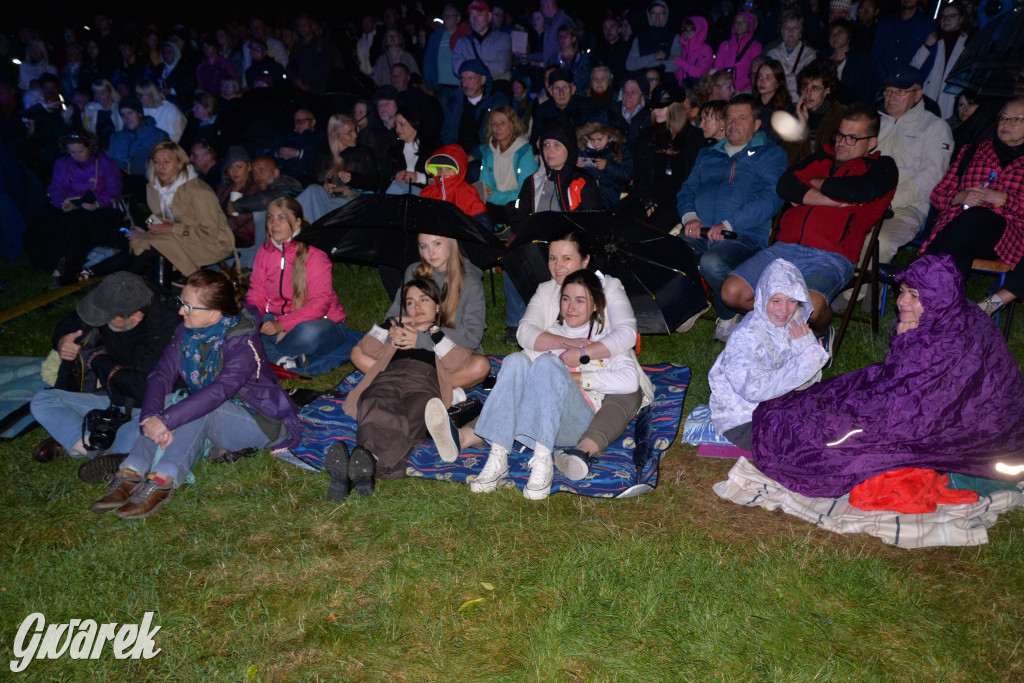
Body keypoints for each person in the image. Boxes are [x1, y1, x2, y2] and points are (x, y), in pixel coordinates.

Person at [749, 254, 1024, 498]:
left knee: (830, 448)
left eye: (914, 295)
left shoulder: (948, 342)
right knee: (833, 394)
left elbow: (912, 413)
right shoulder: (955, 313)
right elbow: (908, 384)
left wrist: (906, 344)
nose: (902, 300)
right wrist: (907, 342)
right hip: (955, 408)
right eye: (903, 291)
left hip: (980, 430)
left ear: (937, 298)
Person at [90, 270, 303, 519]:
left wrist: (167, 421)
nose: (181, 312)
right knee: (172, 402)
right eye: (181, 303)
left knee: (197, 407)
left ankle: (163, 479)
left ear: (213, 313)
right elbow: (160, 376)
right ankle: (130, 472)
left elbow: (219, 391)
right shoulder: (186, 332)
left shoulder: (242, 342)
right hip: (215, 415)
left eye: (188, 307)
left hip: (261, 422)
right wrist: (151, 416)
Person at [456, 268, 648, 499]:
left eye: (580, 300)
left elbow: (629, 381)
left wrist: (578, 378)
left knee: (548, 364)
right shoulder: (553, 334)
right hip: (538, 420)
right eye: (566, 299)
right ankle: (498, 455)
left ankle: (543, 460)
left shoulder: (606, 338)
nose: (570, 307)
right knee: (515, 360)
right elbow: (516, 374)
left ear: (596, 304)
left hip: (577, 422)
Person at [721, 103, 898, 342]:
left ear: (872, 142)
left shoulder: (882, 168)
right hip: (784, 248)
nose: (842, 142)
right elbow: (785, 185)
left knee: (811, 308)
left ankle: (821, 333)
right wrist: (833, 200)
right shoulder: (820, 159)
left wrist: (812, 185)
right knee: (732, 293)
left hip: (831, 256)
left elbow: (860, 190)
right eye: (840, 135)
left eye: (853, 138)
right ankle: (776, 327)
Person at [332, 278, 478, 491]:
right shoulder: (397, 331)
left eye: (423, 300)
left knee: (411, 413)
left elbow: (458, 361)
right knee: (373, 402)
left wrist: (433, 334)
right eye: (410, 302)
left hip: (424, 384)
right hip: (388, 377)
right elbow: (368, 348)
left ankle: (363, 463)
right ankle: (369, 465)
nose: (416, 306)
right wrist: (388, 325)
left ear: (437, 306)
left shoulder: (442, 334)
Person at [29, 272, 179, 471]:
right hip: (112, 400)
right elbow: (74, 320)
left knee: (135, 434)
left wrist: (101, 363)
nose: (98, 321)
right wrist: (63, 339)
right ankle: (96, 451)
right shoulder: (120, 292)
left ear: (136, 317)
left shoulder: (169, 325)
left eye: (106, 319)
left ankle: (88, 444)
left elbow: (144, 388)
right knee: (42, 401)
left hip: (151, 408)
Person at [676, 94, 787, 342]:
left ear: (756, 124)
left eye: (742, 118)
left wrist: (728, 224)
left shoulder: (770, 155)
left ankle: (727, 315)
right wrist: (691, 217)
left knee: (712, 262)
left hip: (742, 235)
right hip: (700, 231)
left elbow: (771, 199)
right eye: (729, 118)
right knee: (669, 251)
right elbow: (687, 190)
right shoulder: (708, 154)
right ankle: (691, 303)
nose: (733, 124)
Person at [709, 258, 830, 450]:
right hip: (743, 418)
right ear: (763, 297)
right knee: (805, 443)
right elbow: (754, 390)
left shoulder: (793, 325)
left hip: (777, 404)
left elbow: (808, 382)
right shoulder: (745, 336)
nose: (784, 310)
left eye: (792, 301)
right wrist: (806, 361)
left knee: (830, 416)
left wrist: (805, 351)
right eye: (776, 301)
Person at [921, 98, 1024, 318]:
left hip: (1003, 239)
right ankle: (941, 320)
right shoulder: (972, 152)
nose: (1007, 124)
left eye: (1017, 119)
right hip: (956, 231)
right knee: (955, 259)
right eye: (1004, 118)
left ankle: (917, 268)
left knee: (979, 215)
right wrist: (959, 196)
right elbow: (937, 196)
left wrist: (1004, 199)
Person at [352, 231, 491, 388]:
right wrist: (400, 329)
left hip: (451, 353)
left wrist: (424, 336)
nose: (431, 253)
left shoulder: (470, 281)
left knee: (481, 366)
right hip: (410, 348)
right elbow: (393, 315)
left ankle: (407, 381)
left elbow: (472, 338)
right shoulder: (414, 272)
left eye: (437, 244)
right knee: (357, 353)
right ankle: (428, 385)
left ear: (452, 243)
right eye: (424, 246)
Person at [245, 196, 347, 370]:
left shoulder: (314, 253)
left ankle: (262, 352)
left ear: (297, 222)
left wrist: (282, 325)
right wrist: (253, 320)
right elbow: (257, 294)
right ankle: (281, 358)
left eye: (281, 217)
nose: (273, 223)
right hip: (278, 318)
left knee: (308, 334)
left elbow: (320, 303)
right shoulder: (265, 251)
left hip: (319, 323)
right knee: (242, 321)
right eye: (270, 217)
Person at [872, 66, 953, 271]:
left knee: (881, 241)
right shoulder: (874, 122)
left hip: (907, 205)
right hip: (867, 197)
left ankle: (858, 295)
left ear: (917, 95)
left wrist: (891, 199)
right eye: (888, 91)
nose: (891, 97)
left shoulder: (935, 127)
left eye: (900, 92)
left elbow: (932, 176)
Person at [126, 141, 234, 278]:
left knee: (156, 247)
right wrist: (150, 230)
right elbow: (156, 218)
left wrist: (171, 229)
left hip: (212, 243)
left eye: (166, 162)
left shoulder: (198, 191)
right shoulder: (155, 189)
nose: (160, 167)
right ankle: (125, 284)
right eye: (156, 162)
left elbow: (210, 232)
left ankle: (139, 288)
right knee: (140, 242)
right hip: (179, 236)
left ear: (179, 163)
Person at [32, 129, 124, 284]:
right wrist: (62, 202)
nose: (76, 155)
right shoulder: (62, 163)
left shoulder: (106, 164)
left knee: (77, 222)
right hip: (69, 208)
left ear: (90, 147)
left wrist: (97, 204)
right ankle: (52, 261)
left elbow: (115, 191)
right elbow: (56, 187)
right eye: (72, 152)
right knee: (41, 217)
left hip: (98, 210)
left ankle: (70, 265)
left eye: (80, 151)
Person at [622, 86, 703, 231]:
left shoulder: (693, 137)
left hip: (677, 200)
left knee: (650, 231)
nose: (655, 111)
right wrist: (646, 197)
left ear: (674, 108)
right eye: (654, 108)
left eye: (661, 107)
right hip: (649, 195)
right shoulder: (648, 135)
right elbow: (640, 171)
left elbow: (692, 178)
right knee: (622, 222)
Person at [297, 114, 382, 223]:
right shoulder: (323, 153)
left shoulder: (364, 153)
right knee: (313, 190)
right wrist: (323, 186)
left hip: (349, 202)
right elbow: (307, 179)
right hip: (323, 198)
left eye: (355, 130)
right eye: (349, 133)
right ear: (335, 135)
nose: (355, 135)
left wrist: (354, 179)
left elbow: (375, 185)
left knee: (321, 206)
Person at [477, 106, 538, 225]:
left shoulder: (524, 154)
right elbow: (485, 189)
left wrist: (494, 196)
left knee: (511, 208)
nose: (497, 127)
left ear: (513, 125)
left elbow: (524, 194)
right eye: (494, 123)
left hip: (517, 207)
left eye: (502, 123)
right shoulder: (487, 153)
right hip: (497, 206)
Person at [908, 1, 968, 120]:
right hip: (927, 97)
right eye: (943, 17)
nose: (946, 20)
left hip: (951, 101)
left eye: (952, 16)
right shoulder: (934, 40)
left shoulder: (968, 43)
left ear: (961, 18)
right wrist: (926, 46)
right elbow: (913, 67)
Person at [781, 59, 846, 167]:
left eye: (815, 88)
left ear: (827, 90)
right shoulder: (797, 116)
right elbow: (785, 160)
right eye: (804, 87)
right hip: (800, 174)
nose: (808, 94)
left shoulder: (840, 115)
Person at [441, 60, 510, 160]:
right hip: (458, 155)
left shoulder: (496, 102)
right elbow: (447, 132)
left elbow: (496, 138)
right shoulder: (456, 102)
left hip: (487, 157)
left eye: (470, 78)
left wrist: (472, 156)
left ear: (482, 80)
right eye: (463, 78)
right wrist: (453, 153)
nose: (465, 83)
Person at [107, 96, 169, 200]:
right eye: (123, 115)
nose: (127, 118)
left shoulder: (158, 136)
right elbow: (110, 166)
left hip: (149, 186)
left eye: (130, 113)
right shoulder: (116, 138)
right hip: (122, 187)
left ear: (140, 113)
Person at [420, 145, 492, 228]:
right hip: (432, 233)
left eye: (448, 169)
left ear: (459, 169)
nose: (443, 173)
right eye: (439, 169)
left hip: (458, 233)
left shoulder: (467, 191)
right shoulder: (428, 191)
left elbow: (481, 219)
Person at [870, 0, 934, 81]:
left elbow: (928, 63)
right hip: (883, 84)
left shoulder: (927, 26)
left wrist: (910, 85)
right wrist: (886, 80)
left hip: (909, 87)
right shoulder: (886, 23)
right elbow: (876, 56)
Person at [576, 122, 633, 210]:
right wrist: (577, 168)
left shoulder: (620, 149)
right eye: (592, 139)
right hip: (588, 200)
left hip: (613, 201)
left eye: (599, 139)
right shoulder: (583, 151)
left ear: (609, 136)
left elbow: (627, 176)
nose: (595, 143)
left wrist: (608, 166)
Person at [452, 0, 513, 83]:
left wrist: (470, 67)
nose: (474, 19)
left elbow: (501, 67)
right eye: (471, 15)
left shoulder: (503, 38)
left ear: (489, 16)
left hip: (496, 91)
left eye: (479, 14)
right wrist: (487, 64)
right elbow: (457, 68)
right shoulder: (462, 42)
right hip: (471, 92)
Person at [384, 108, 438, 194]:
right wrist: (395, 178)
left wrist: (419, 177)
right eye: (396, 125)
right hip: (400, 199)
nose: (398, 129)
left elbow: (441, 180)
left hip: (426, 197)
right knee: (396, 187)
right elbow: (382, 182)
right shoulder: (392, 151)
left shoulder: (432, 148)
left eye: (401, 124)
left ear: (415, 123)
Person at [765, 13, 818, 101]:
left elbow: (808, 82)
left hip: (799, 100)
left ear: (800, 33)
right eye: (787, 28)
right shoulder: (772, 54)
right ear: (781, 32)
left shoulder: (809, 54)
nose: (791, 31)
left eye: (795, 28)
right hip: (776, 100)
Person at [216, 146, 259, 247]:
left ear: (248, 167)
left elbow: (245, 218)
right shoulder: (223, 189)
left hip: (242, 238)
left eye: (239, 167)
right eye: (231, 167)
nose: (234, 172)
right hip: (221, 233)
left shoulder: (254, 189)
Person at [626, 1, 681, 77]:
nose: (657, 17)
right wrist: (654, 56)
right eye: (654, 13)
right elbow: (630, 65)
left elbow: (676, 65)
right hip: (643, 82)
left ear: (666, 15)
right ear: (649, 15)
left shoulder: (674, 36)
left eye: (661, 13)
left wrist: (646, 65)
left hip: (667, 82)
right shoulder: (639, 38)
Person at [713, 11, 762, 92]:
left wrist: (734, 87)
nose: (739, 24)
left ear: (749, 25)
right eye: (736, 22)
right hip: (724, 90)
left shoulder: (755, 46)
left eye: (743, 21)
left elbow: (752, 72)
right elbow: (718, 69)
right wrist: (724, 87)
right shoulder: (724, 45)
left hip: (745, 90)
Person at [273, 108, 322, 186]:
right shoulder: (284, 135)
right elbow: (270, 153)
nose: (299, 124)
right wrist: (278, 153)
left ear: (312, 122)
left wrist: (298, 153)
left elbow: (320, 157)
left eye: (302, 121)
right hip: (280, 171)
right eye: (296, 121)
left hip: (302, 175)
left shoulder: (319, 137)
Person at [754, 60, 792, 136]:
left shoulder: (785, 109)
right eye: (759, 77)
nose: (762, 81)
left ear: (778, 82)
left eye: (768, 78)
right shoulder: (752, 105)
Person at [673, 16, 713, 88]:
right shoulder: (683, 47)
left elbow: (699, 72)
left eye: (691, 30)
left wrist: (679, 61)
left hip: (699, 89)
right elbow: (679, 70)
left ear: (698, 31)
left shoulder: (706, 49)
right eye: (685, 30)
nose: (687, 33)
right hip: (683, 87)